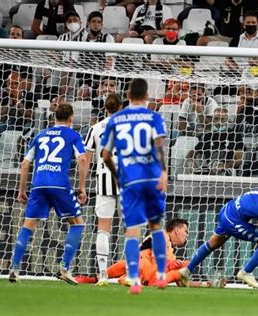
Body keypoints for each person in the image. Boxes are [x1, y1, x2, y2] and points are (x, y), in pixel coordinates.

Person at [101, 78, 168, 295]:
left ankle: (134, 279)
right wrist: (164, 172)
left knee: (132, 231)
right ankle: (159, 276)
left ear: (127, 96)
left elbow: (105, 155)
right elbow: (159, 146)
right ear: (147, 96)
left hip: (129, 179)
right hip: (151, 177)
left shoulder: (117, 119)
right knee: (156, 226)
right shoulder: (153, 117)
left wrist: (117, 174)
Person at [9, 103, 89, 285]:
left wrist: (22, 190)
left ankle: (14, 268)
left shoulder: (40, 135)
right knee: (77, 223)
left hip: (38, 185)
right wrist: (82, 187)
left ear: (54, 118)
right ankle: (64, 267)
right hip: (59, 185)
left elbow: (25, 164)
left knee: (28, 226)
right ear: (71, 118)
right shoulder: (73, 135)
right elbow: (83, 158)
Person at [76, 219, 196, 286]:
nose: (187, 235)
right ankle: (98, 278)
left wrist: (202, 284)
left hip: (147, 274)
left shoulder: (171, 251)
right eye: (185, 231)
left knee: (184, 266)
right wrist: (172, 267)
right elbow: (156, 257)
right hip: (143, 267)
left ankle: (98, 278)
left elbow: (180, 281)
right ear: (176, 230)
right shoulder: (162, 235)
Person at [84, 93, 122, 286]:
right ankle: (133, 273)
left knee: (103, 229)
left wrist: (81, 185)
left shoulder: (95, 128)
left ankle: (103, 275)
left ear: (105, 108)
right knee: (132, 229)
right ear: (121, 107)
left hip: (103, 179)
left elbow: (86, 159)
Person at [185, 107, 244, 176]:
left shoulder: (235, 136)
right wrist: (195, 169)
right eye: (216, 119)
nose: (219, 122)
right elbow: (190, 155)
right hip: (210, 171)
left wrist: (223, 166)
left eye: (222, 119)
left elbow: (239, 160)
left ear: (227, 120)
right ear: (213, 120)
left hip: (228, 171)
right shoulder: (208, 136)